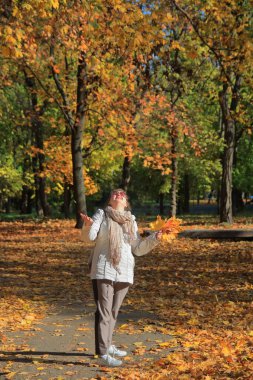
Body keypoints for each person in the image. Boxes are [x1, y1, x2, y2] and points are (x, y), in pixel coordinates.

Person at [80, 189, 164, 367]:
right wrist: (87, 226)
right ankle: (102, 354)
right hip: (104, 268)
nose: (118, 195)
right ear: (110, 200)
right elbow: (89, 238)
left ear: (126, 203)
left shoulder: (130, 221)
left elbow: (137, 249)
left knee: (113, 312)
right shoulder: (101, 214)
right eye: (114, 194)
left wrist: (154, 238)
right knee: (104, 311)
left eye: (122, 194)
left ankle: (107, 344)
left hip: (124, 271)